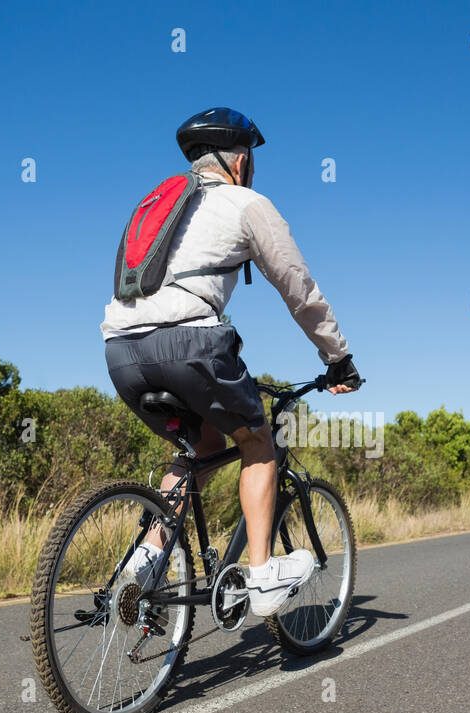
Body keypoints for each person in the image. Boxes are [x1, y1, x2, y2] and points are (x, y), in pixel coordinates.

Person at [102, 107, 361, 616]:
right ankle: (262, 576)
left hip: (120, 352)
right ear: (239, 160)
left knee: (202, 447)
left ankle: (146, 559)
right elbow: (298, 288)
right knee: (258, 441)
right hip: (190, 345)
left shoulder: (157, 206)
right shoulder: (247, 203)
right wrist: (338, 357)